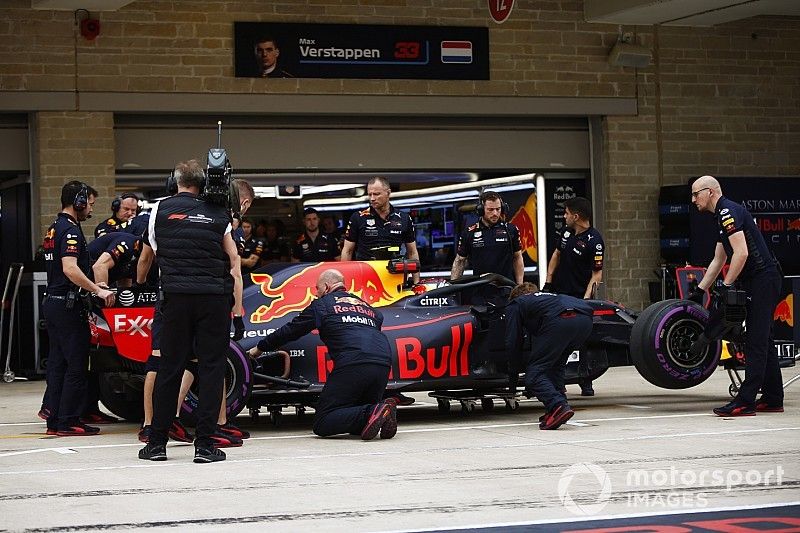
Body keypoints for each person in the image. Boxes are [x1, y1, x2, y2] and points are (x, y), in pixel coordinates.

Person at [138, 160, 242, 463]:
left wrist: (141, 282)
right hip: (213, 299)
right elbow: (233, 260)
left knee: (169, 368)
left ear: (175, 182)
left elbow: (146, 257)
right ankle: (205, 446)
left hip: (175, 299)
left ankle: (156, 444)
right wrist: (237, 310)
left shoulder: (158, 210)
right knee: (211, 369)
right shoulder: (220, 212)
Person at [247, 269, 397, 440]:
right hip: (383, 363)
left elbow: (290, 331)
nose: (316, 294)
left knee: (323, 422)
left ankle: (373, 411)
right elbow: (374, 323)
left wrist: (258, 349)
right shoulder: (367, 307)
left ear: (326, 287)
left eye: (317, 289)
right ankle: (378, 411)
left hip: (354, 362)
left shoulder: (323, 305)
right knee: (357, 421)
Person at [688, 175, 783, 417]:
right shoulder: (721, 215)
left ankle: (745, 401)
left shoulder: (727, 211)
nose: (693, 199)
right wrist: (700, 290)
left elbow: (741, 253)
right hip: (757, 280)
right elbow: (718, 259)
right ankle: (773, 398)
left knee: (756, 340)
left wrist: (726, 285)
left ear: (710, 192)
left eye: (696, 194)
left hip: (763, 278)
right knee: (763, 338)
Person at [40, 181, 115, 436]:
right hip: (67, 305)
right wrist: (98, 290)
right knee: (76, 364)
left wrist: (92, 284)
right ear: (78, 202)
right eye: (89, 204)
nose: (90, 209)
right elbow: (70, 268)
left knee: (58, 364)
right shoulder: (70, 230)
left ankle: (55, 421)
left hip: (54, 302)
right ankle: (69, 420)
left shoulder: (54, 227)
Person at [505, 282, 593, 430]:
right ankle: (557, 407)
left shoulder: (516, 303)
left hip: (560, 321)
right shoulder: (549, 297)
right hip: (584, 320)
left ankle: (558, 406)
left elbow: (513, 340)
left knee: (534, 374)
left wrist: (513, 374)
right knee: (556, 366)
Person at [542, 196, 605, 397]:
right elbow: (557, 254)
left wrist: (586, 300)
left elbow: (597, 274)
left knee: (581, 340)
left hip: (578, 296)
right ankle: (558, 381)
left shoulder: (594, 241)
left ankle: (585, 380)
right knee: (557, 339)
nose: (564, 216)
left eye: (567, 213)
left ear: (576, 216)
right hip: (559, 294)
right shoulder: (566, 232)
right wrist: (548, 282)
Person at [341, 176, 420, 284]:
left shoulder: (404, 218)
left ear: (388, 193)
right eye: (369, 194)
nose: (372, 198)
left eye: (376, 194)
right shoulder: (358, 218)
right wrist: (344, 282)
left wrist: (416, 283)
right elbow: (347, 251)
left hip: (395, 275)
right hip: (365, 275)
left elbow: (412, 252)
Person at [451, 190, 524, 284]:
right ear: (481, 210)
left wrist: (519, 286)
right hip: (480, 287)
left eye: (498, 209)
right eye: (490, 210)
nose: (495, 213)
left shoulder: (511, 230)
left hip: (507, 287)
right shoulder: (469, 232)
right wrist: (452, 287)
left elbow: (517, 257)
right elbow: (460, 261)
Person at [239, 218, 264, 285]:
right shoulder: (235, 240)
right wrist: (244, 261)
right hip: (238, 275)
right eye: (244, 227)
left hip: (253, 276)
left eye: (248, 227)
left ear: (252, 228)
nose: (246, 229)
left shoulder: (258, 242)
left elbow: (251, 263)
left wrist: (236, 260)